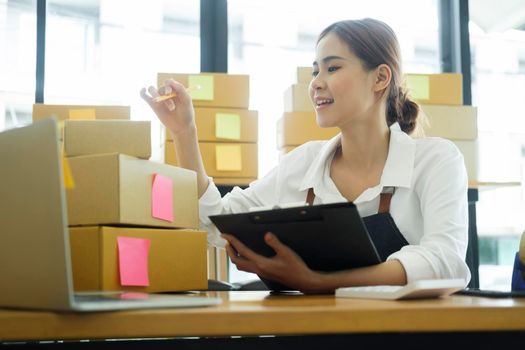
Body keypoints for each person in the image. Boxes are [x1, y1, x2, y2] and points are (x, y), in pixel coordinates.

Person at [141, 18, 471, 294]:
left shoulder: (435, 160)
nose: (316, 84)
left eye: (332, 68)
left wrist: (318, 281)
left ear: (380, 78)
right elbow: (218, 222)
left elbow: (444, 261)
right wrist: (184, 133)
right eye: (315, 71)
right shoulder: (304, 163)